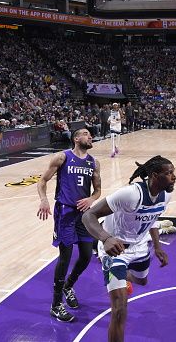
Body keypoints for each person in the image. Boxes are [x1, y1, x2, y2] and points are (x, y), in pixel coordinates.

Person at [82, 156, 176, 342]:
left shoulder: (166, 194)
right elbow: (88, 215)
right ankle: (116, 271)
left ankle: (124, 275)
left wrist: (157, 246)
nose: (174, 177)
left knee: (142, 282)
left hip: (140, 246)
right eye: (169, 173)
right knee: (119, 309)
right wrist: (106, 238)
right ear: (154, 175)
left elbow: (153, 218)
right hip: (115, 251)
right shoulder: (130, 194)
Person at [37, 128, 102, 322]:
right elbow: (42, 181)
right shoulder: (62, 158)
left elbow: (98, 190)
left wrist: (91, 199)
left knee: (86, 255)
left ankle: (68, 286)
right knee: (64, 258)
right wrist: (44, 200)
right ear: (76, 138)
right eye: (85, 133)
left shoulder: (94, 162)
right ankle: (56, 305)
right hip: (65, 212)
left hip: (84, 214)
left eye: (90, 134)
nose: (90, 136)